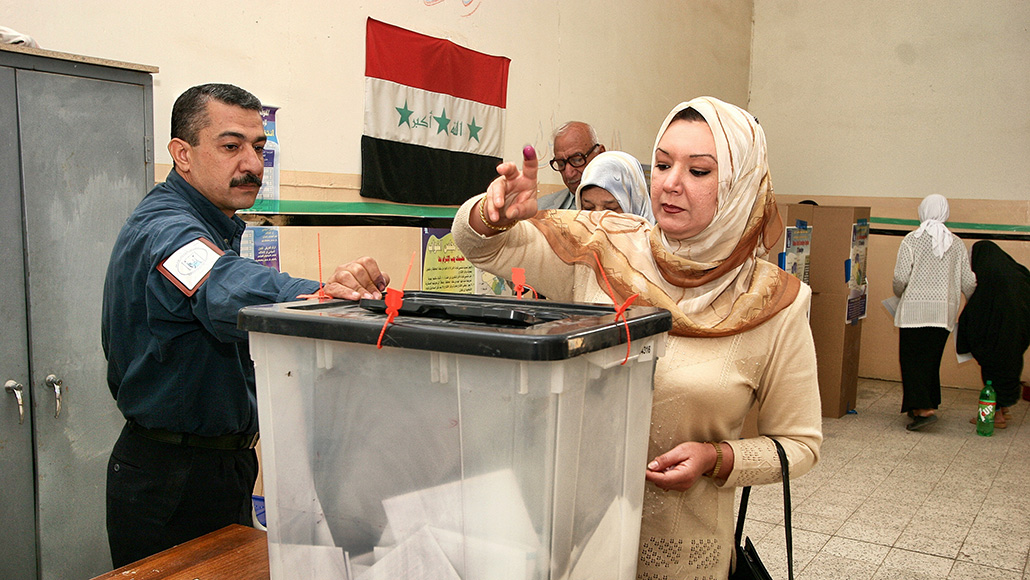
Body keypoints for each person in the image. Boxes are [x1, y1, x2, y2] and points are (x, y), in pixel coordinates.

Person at [450, 96, 822, 579]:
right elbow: (482, 246)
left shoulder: (775, 302)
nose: (670, 183)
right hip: (574, 539)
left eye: (699, 171)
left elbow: (799, 445)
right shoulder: (604, 247)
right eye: (663, 164)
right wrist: (493, 215)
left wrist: (717, 458)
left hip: (681, 553)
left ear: (740, 184)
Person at [101, 83, 390, 567]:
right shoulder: (166, 230)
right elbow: (222, 285)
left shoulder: (216, 226)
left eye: (259, 148)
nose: (253, 164)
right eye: (231, 146)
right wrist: (322, 294)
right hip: (171, 480)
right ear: (183, 154)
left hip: (219, 466)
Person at [891, 194, 976, 431]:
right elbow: (969, 282)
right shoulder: (956, 244)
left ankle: (924, 410)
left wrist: (899, 293)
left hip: (913, 313)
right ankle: (925, 404)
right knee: (930, 361)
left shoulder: (912, 239)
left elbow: (900, 278)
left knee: (912, 361)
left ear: (923, 211)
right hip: (943, 314)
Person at [957, 241, 1030, 428]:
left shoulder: (989, 279)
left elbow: (975, 311)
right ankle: (1004, 408)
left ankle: (995, 416)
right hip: (1019, 333)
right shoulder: (1018, 273)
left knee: (992, 372)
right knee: (1010, 367)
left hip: (995, 337)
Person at [537, 121, 605, 210]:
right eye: (561, 164)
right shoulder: (539, 209)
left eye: (577, 160)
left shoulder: (622, 206)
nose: (568, 174)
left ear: (600, 154)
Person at [575, 150, 655, 223]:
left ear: (635, 205)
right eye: (588, 208)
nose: (597, 220)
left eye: (611, 209)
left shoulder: (654, 234)